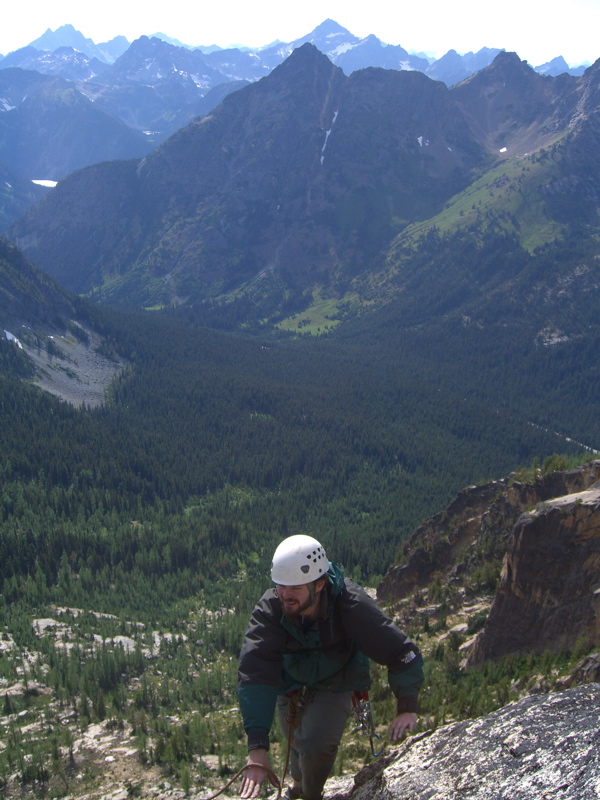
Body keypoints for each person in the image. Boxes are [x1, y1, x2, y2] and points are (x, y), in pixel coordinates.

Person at [237, 534, 424, 800]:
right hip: (290, 679)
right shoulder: (271, 609)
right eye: (280, 586)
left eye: (295, 588)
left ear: (320, 584)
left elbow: (400, 651)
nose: (285, 595)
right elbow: (255, 672)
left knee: (317, 745)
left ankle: (311, 795)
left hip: (337, 676)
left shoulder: (349, 604)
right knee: (297, 741)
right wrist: (257, 750)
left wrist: (407, 708)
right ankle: (298, 784)